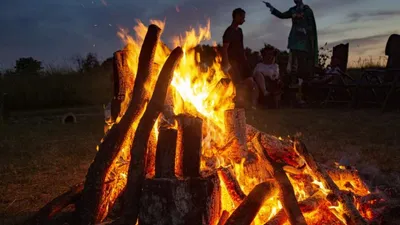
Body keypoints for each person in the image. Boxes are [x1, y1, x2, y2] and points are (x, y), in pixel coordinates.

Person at [263, 0, 318, 104]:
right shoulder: (292, 10)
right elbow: (282, 15)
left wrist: (305, 30)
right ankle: (294, 97)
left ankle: (302, 96)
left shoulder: (307, 10)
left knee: (302, 70)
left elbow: (312, 26)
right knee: (293, 70)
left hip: (303, 44)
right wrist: (271, 8)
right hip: (294, 42)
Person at [222, 8, 258, 109]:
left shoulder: (240, 31)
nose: (244, 20)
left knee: (251, 82)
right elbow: (225, 48)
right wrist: (225, 62)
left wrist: (245, 59)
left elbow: (241, 46)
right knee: (238, 84)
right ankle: (238, 105)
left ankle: (253, 105)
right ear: (237, 16)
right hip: (233, 62)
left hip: (242, 61)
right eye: (242, 17)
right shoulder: (229, 31)